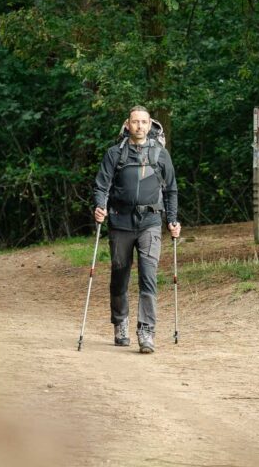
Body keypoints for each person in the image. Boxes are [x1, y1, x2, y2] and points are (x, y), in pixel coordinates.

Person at [93, 105, 180, 354]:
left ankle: (147, 330)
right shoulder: (115, 154)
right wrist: (99, 206)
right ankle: (120, 323)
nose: (140, 126)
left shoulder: (161, 154)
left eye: (144, 122)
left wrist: (172, 220)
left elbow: (171, 189)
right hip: (120, 221)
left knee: (148, 276)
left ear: (150, 124)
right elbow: (101, 185)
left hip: (150, 223)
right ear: (127, 124)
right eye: (135, 122)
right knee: (120, 274)